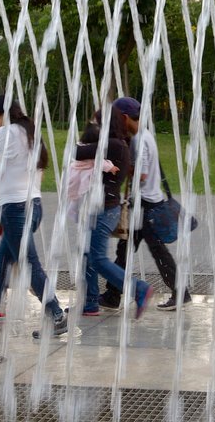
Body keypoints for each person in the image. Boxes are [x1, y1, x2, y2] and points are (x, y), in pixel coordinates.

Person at [0, 95, 68, 339]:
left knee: (30, 264)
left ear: (3, 114)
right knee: (1, 262)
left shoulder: (5, 133)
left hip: (14, 208)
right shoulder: (29, 131)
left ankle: (57, 315)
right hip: (33, 204)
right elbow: (39, 169)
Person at [101, 97, 190, 312]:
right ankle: (113, 295)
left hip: (145, 206)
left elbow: (141, 175)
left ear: (123, 117)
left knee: (154, 251)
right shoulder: (144, 136)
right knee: (125, 250)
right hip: (144, 204)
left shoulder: (140, 140)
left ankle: (180, 293)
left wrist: (119, 168)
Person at [75, 106, 154, 318]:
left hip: (104, 210)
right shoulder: (115, 144)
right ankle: (90, 303)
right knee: (86, 255)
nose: (93, 126)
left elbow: (75, 151)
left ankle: (139, 288)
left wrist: (88, 134)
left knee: (98, 258)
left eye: (96, 122)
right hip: (97, 207)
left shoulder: (113, 145)